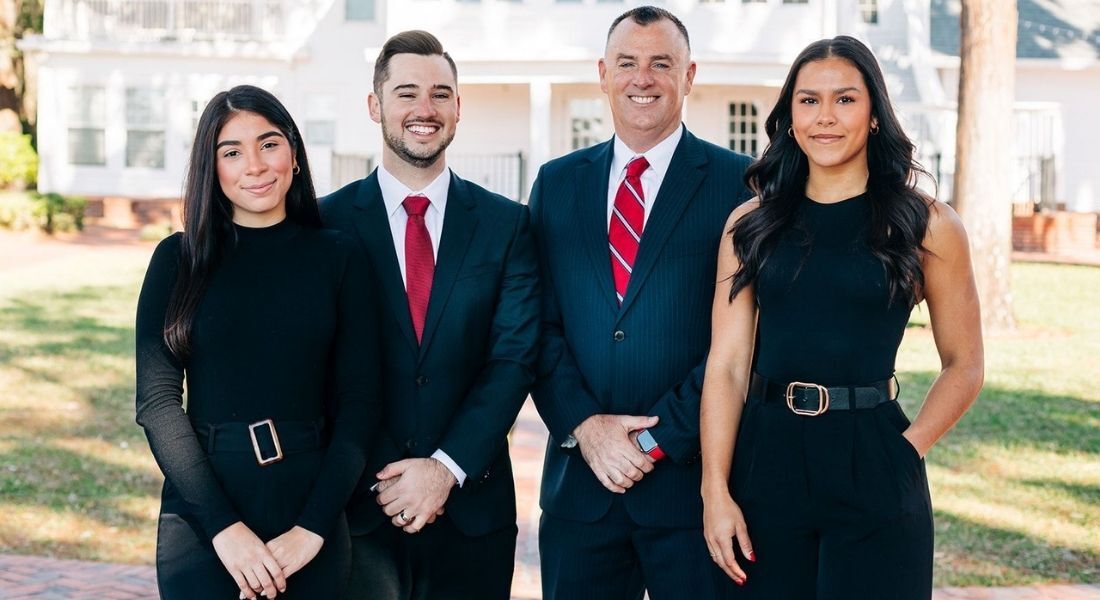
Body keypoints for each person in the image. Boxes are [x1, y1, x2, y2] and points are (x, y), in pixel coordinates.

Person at [699, 35, 985, 599]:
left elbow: (965, 363)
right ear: (789, 116)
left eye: (845, 100)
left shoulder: (927, 225)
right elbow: (728, 365)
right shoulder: (750, 224)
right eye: (808, 101)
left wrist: (906, 451)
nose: (824, 117)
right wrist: (715, 490)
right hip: (765, 460)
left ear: (874, 114)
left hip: (874, 458)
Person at [528, 6, 752, 599]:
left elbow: (748, 338)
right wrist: (586, 427)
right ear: (603, 74)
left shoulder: (741, 184)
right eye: (627, 63)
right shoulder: (556, 183)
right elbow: (537, 325)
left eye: (661, 63)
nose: (642, 78)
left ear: (689, 74)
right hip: (581, 493)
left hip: (692, 491)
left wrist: (657, 439)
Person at [135, 85, 381, 599]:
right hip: (205, 513)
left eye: (269, 144)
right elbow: (158, 404)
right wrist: (226, 532)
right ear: (213, 168)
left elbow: (361, 405)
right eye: (232, 151)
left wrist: (311, 530)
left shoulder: (339, 257)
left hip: (309, 510)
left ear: (293, 153)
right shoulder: (177, 260)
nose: (255, 165)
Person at [319, 30, 539, 600]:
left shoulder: (506, 225)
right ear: (375, 105)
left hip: (473, 510)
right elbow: (315, 367)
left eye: (441, 94)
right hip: (357, 511)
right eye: (407, 92)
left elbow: (512, 360)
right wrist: (391, 476)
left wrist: (443, 469)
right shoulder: (324, 226)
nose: (425, 109)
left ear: (459, 108)